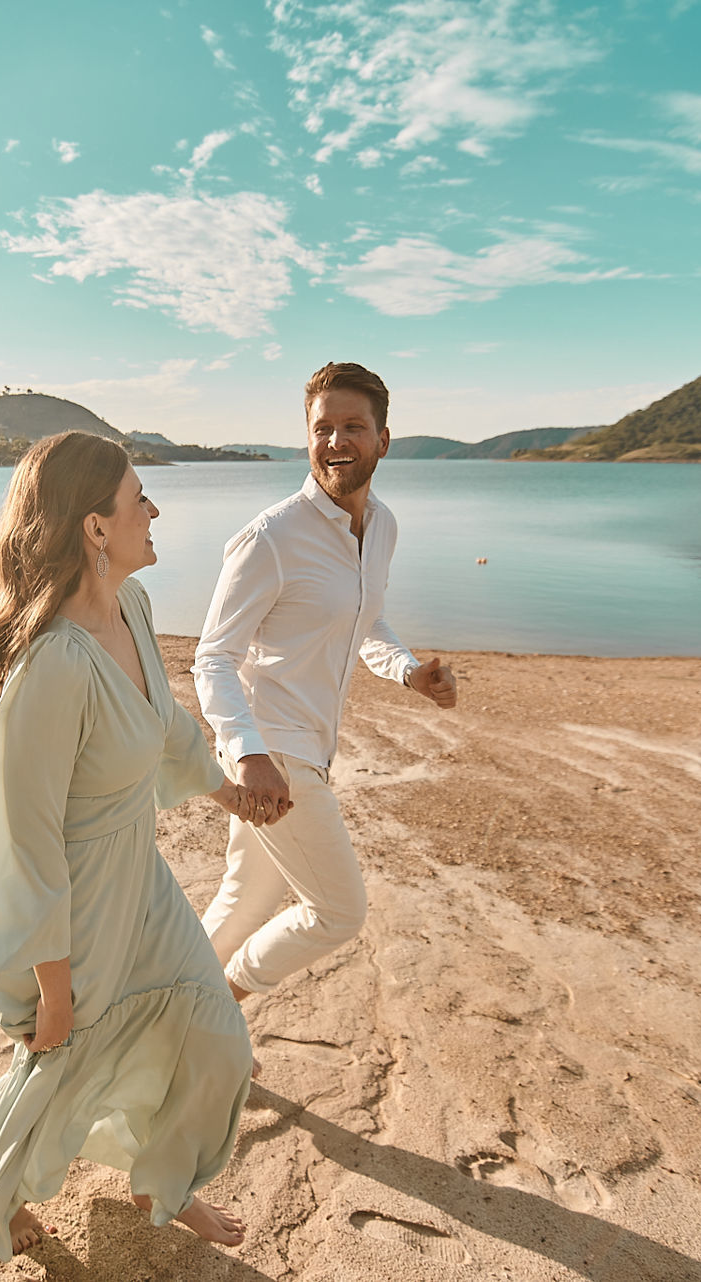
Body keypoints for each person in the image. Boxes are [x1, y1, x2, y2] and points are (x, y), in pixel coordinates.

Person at [0, 431, 254, 1265]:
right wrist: (53, 982)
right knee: (56, 1065)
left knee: (216, 1036)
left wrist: (227, 790)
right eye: (138, 496)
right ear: (96, 529)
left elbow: (164, 727)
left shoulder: (134, 609)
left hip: (138, 879)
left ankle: (159, 1182)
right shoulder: (53, 668)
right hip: (72, 905)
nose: (153, 509)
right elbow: (22, 838)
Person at [193, 361, 458, 1010]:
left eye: (352, 428)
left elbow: (365, 620)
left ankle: (169, 1018)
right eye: (323, 428)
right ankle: (216, 1009)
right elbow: (213, 659)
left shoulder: (383, 527)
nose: (336, 442)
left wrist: (408, 672)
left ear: (383, 440)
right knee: (338, 912)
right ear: (306, 437)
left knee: (244, 898)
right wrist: (250, 756)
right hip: (272, 753)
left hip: (306, 750)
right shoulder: (271, 537)